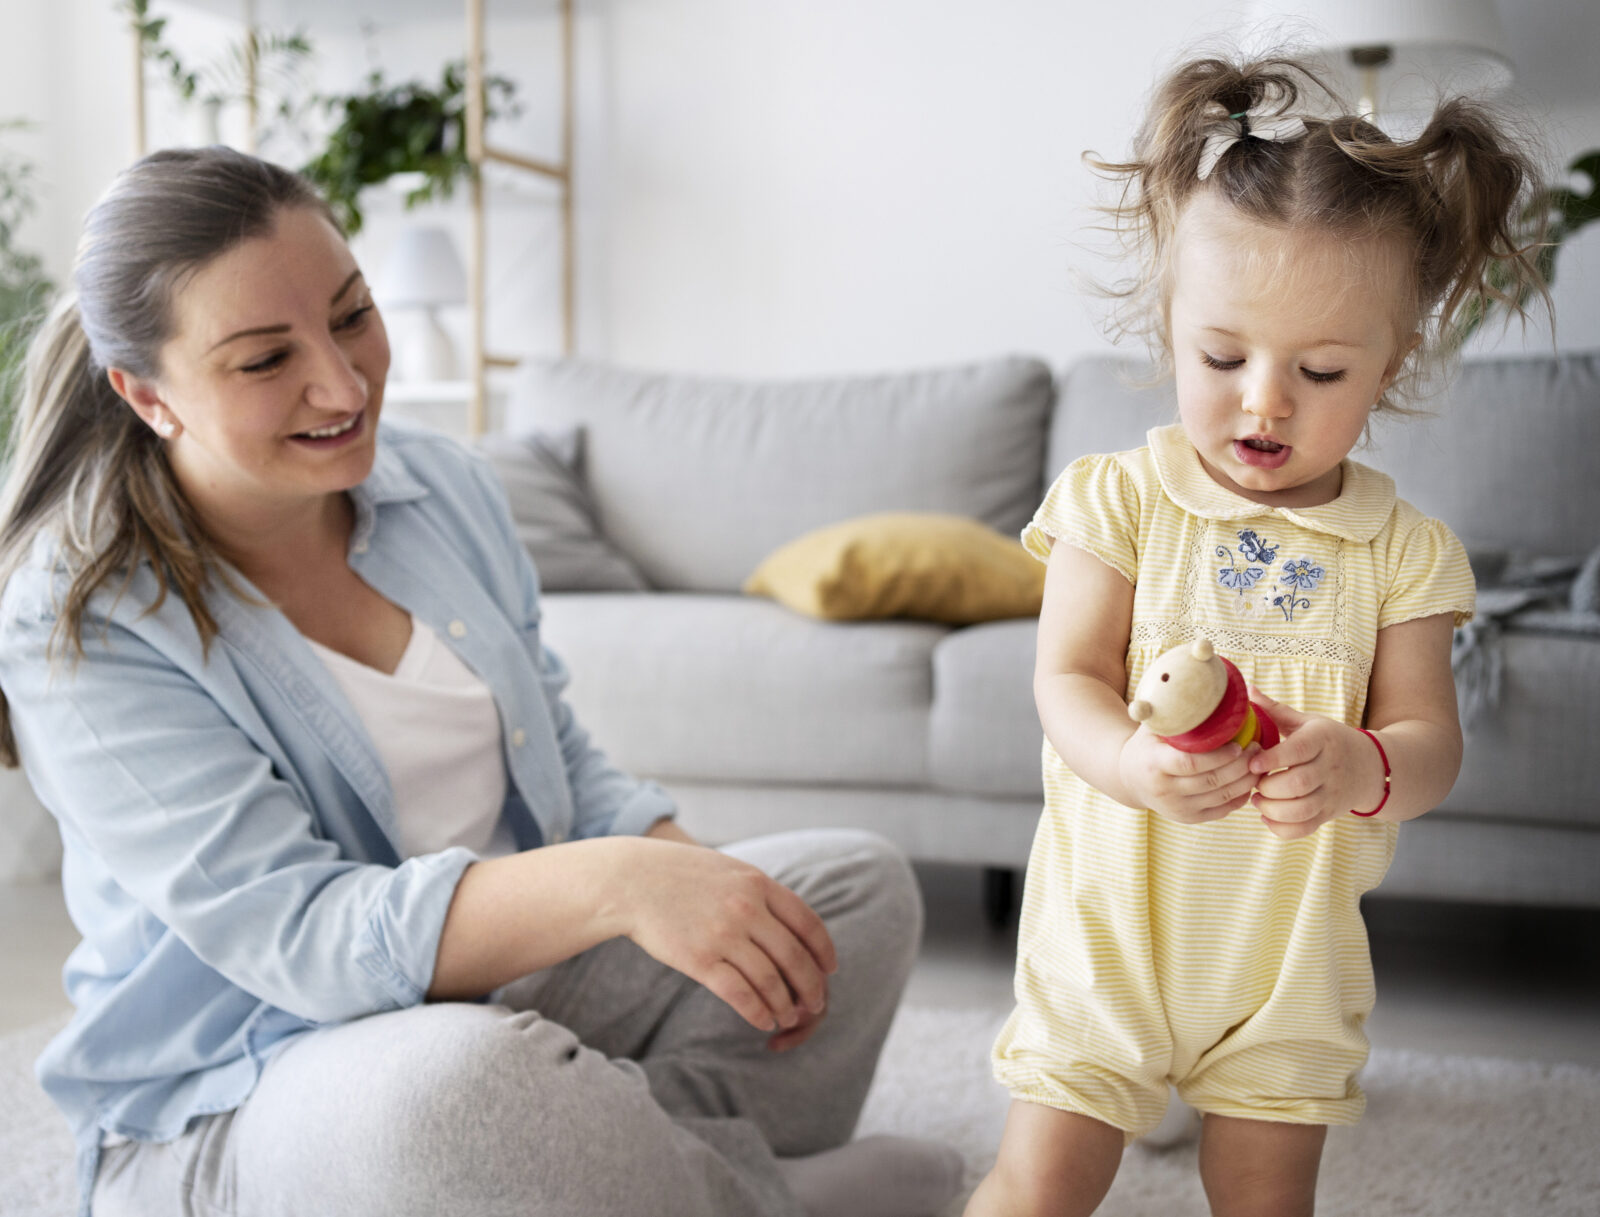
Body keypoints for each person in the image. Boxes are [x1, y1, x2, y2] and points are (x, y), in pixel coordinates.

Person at [0, 146, 965, 1217]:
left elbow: (556, 747)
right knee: (462, 1094)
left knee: (846, 892)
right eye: (266, 359)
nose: (342, 379)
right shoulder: (81, 616)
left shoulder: (443, 484)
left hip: (512, 992)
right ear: (147, 394)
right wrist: (616, 885)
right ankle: (764, 1195)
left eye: (352, 313)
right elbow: (309, 941)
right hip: (256, 1080)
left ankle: (652, 1172)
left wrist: (689, 880)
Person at [964, 54, 1547, 1217]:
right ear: (1171, 330)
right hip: (1105, 939)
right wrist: (1130, 761)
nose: (1263, 401)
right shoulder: (1117, 501)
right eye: (1222, 358)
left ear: (1388, 367)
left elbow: (1430, 741)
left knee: (1266, 1198)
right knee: (1040, 1184)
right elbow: (1066, 678)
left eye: (1320, 369)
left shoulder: (1403, 550)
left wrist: (1367, 763)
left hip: (1283, 963)